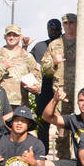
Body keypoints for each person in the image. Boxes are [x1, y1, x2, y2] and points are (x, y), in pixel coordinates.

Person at [41, 13, 84, 159]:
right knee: (62, 130)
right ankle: (63, 161)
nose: (69, 26)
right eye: (66, 23)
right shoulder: (55, 45)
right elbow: (45, 69)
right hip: (62, 94)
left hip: (80, 94)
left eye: (72, 23)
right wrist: (54, 63)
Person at [30, 18, 62, 148]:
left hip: (61, 89)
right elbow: (28, 64)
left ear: (61, 29)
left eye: (56, 28)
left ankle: (64, 154)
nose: (53, 30)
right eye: (50, 28)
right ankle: (42, 152)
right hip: (44, 91)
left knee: (63, 123)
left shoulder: (67, 45)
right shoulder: (39, 47)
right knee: (42, 122)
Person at [0, 25, 41, 109]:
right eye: (9, 35)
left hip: (21, 104)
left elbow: (37, 77)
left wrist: (37, 88)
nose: (12, 37)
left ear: (20, 37)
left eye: (15, 35)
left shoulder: (27, 56)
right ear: (4, 36)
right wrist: (2, 67)